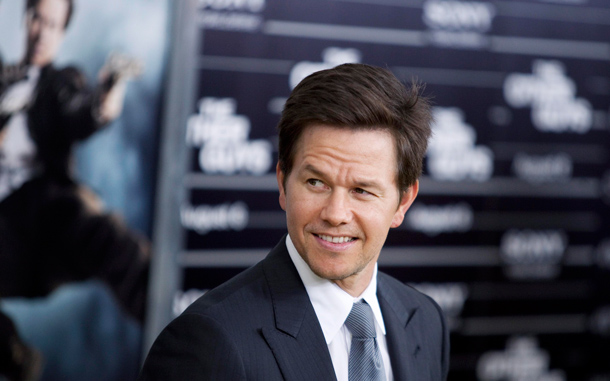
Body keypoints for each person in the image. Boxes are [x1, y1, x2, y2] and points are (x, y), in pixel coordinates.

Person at [139, 63, 449, 380]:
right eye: (316, 183)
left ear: (403, 202)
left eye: (361, 190)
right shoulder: (208, 342)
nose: (335, 213)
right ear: (283, 183)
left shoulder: (425, 321)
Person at [0, 0, 148, 321]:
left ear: (62, 33)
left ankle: (177, 320)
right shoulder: (4, 80)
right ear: (26, 19)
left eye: (53, 25)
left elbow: (79, 112)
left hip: (44, 228)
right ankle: (14, 354)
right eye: (39, 20)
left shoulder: (59, 84)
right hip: (6, 245)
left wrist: (105, 97)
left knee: (101, 235)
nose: (42, 34)